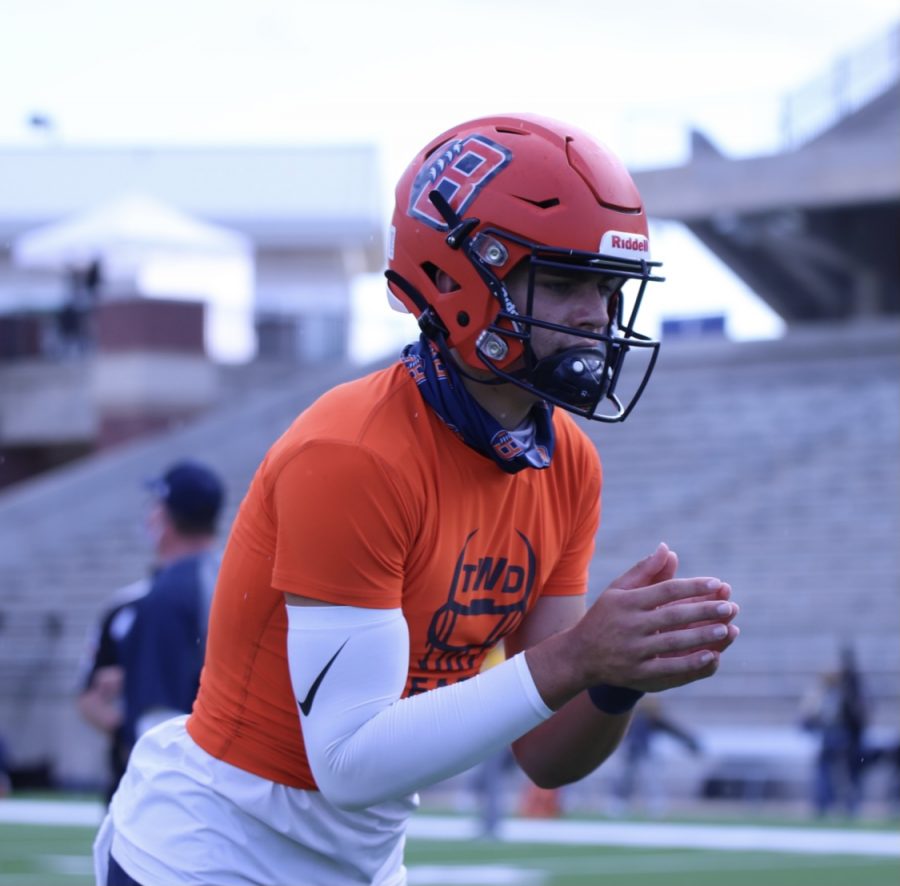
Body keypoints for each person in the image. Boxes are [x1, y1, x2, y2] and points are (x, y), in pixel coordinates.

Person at [94, 113, 740, 886]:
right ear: (459, 276)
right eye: (565, 282)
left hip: (360, 860)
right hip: (212, 851)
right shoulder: (353, 453)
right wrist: (577, 655)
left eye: (606, 289)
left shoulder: (566, 463)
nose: (596, 318)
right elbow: (350, 761)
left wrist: (615, 676)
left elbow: (545, 755)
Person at [77, 459, 225, 802]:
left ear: (166, 515)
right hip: (224, 769)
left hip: (176, 781)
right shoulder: (230, 581)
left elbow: (159, 714)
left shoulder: (165, 595)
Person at [801, 646, 869, 818]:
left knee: (833, 773)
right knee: (843, 774)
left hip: (834, 737)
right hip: (840, 737)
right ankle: (844, 805)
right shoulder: (840, 693)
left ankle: (829, 804)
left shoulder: (826, 694)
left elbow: (812, 714)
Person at [609, 695, 701, 817]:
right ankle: (620, 803)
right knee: (628, 778)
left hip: (646, 753)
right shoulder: (633, 719)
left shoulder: (653, 720)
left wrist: (690, 742)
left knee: (651, 779)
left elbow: (674, 731)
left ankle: (653, 804)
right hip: (633, 753)